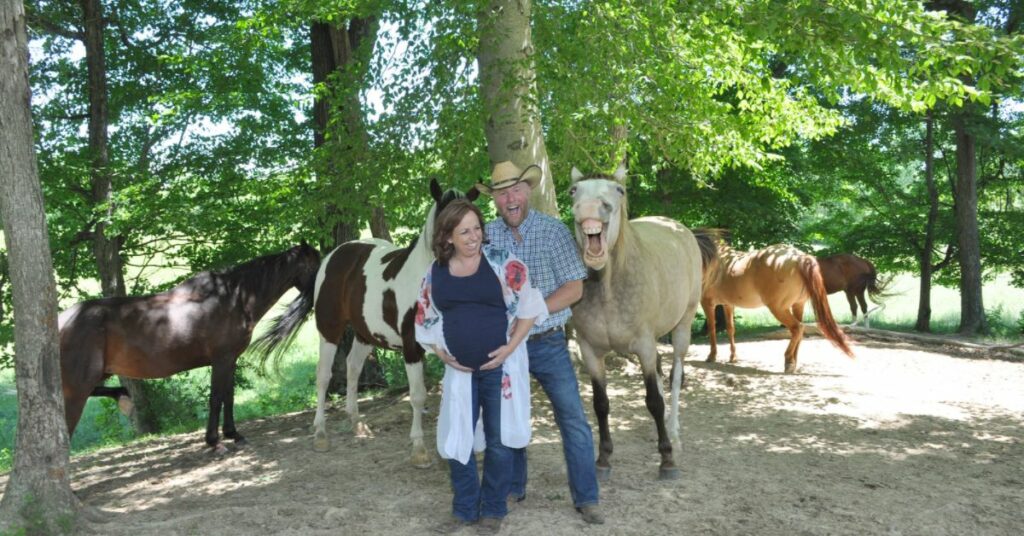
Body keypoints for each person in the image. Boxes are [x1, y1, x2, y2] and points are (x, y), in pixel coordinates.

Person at [477, 161, 604, 525]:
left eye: (516, 190)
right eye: (502, 193)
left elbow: (575, 287)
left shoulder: (552, 231)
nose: (510, 198)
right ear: (496, 200)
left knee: (573, 420)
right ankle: (512, 488)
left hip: (548, 343)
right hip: (505, 346)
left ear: (528, 191)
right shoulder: (486, 237)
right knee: (504, 420)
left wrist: (531, 312)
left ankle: (587, 497)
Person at [415, 199, 548, 535]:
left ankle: (493, 508)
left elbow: (530, 306)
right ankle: (464, 508)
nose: (473, 237)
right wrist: (440, 352)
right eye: (464, 231)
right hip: (459, 373)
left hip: (498, 369)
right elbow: (425, 316)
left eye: (477, 229)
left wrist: (510, 348)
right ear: (447, 238)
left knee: (499, 440)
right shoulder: (435, 274)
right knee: (457, 437)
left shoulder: (503, 263)